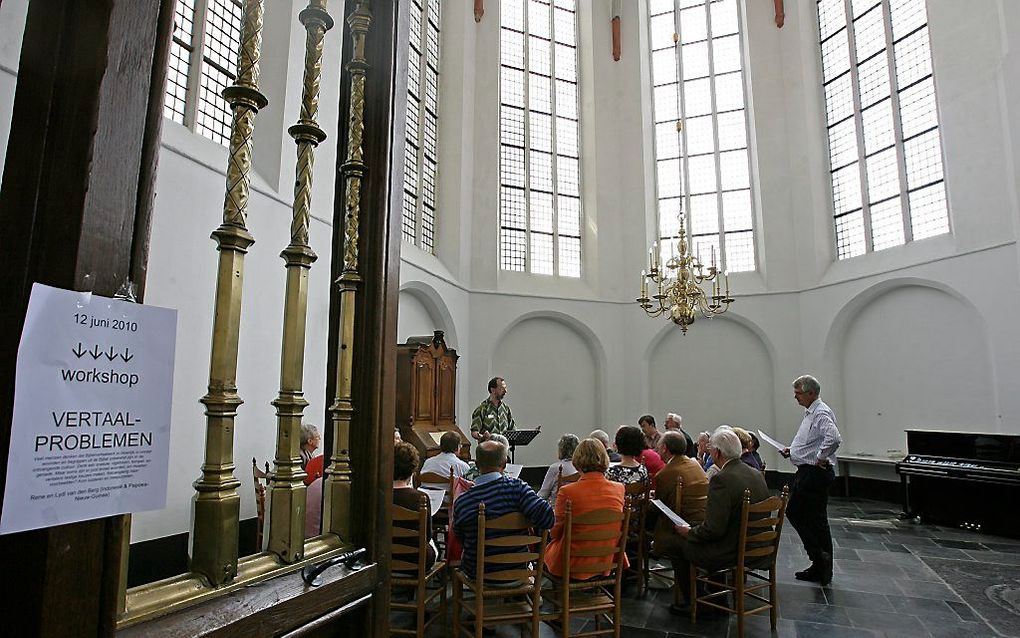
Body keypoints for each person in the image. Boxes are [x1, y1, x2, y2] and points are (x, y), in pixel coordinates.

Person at [664, 428, 770, 610]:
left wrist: (689, 532)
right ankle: (716, 595)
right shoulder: (756, 473)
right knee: (707, 538)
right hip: (759, 547)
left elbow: (714, 529)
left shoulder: (722, 479)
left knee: (677, 544)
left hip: (732, 550)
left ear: (717, 452)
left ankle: (698, 603)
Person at [452, 439, 554, 576]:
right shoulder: (518, 489)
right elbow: (547, 518)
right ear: (504, 463)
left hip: (478, 571)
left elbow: (460, 537)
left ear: (476, 464)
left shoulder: (463, 501)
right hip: (517, 568)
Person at [781, 374, 841, 586]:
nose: (795, 397)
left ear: (811, 393)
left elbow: (833, 437)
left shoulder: (820, 412)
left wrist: (821, 457)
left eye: (798, 393)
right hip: (808, 472)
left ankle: (820, 559)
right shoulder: (811, 413)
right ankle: (819, 563)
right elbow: (813, 441)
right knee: (811, 518)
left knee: (801, 515)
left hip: (814, 475)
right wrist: (794, 451)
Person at [545, 439, 627, 579]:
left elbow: (555, 532)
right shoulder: (619, 489)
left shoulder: (567, 492)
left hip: (572, 561)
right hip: (605, 558)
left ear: (577, 461)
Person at [652, 431, 709, 558]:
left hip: (680, 527)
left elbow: (659, 506)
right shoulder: (695, 465)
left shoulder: (664, 474)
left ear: (665, 448)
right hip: (702, 521)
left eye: (659, 447)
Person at [393, 441, 437, 570]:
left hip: (385, 557)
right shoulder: (420, 498)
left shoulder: (380, 495)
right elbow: (427, 536)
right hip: (416, 559)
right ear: (413, 469)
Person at [537, 434, 579, 504]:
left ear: (561, 450)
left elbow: (543, 495)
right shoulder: (581, 468)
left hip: (557, 510)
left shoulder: (555, 468)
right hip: (577, 509)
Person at [470, 376, 515, 441]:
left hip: (504, 449)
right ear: (493, 390)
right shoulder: (482, 409)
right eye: (502, 388)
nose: (505, 391)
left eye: (505, 388)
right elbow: (474, 432)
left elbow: (513, 430)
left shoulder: (506, 409)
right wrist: (483, 437)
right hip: (488, 449)